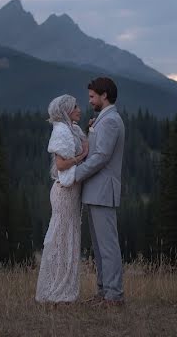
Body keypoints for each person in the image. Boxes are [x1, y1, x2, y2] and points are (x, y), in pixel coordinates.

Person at [75, 76, 126, 306]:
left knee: (108, 247)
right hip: (96, 191)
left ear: (105, 95)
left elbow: (101, 157)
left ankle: (114, 295)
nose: (90, 101)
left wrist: (76, 174)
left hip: (103, 191)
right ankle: (104, 292)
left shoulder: (111, 121)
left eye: (92, 96)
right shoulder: (102, 120)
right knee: (99, 247)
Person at [35, 94, 89, 304]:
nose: (79, 109)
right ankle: (56, 291)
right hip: (64, 193)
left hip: (71, 192)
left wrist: (90, 131)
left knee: (67, 238)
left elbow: (83, 144)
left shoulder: (72, 129)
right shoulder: (61, 131)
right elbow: (61, 165)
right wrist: (81, 157)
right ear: (66, 110)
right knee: (61, 239)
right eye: (75, 106)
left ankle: (62, 290)